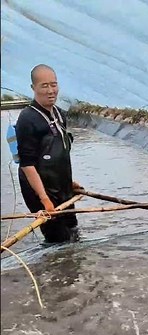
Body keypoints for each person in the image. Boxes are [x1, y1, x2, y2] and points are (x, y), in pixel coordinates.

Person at [15, 64, 81, 243]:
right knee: (58, 241)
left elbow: (60, 154)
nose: (51, 90)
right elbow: (27, 164)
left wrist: (68, 182)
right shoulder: (27, 119)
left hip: (62, 188)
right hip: (41, 193)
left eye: (54, 84)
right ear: (33, 88)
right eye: (44, 86)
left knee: (74, 233)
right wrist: (44, 199)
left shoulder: (59, 114)